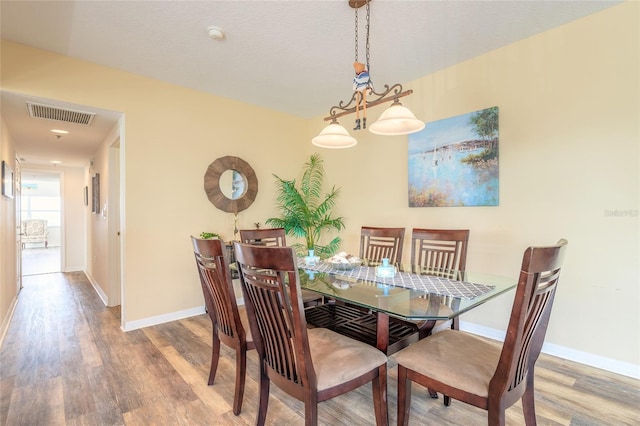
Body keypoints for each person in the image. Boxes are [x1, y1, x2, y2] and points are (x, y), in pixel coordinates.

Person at [352, 61, 371, 130]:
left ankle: (363, 121)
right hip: (360, 89)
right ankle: (359, 123)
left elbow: (358, 82)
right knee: (358, 105)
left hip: (363, 88)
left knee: (362, 104)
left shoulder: (363, 75)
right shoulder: (360, 76)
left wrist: (355, 81)